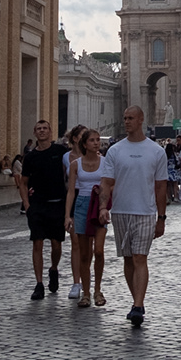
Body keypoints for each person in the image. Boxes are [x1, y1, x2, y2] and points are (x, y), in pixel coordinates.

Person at [97, 105, 166, 328]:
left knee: (139, 257)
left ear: (141, 120)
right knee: (128, 258)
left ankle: (138, 305)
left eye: (130, 118)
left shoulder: (156, 151)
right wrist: (102, 207)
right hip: (120, 211)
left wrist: (161, 217)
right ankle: (136, 299)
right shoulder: (115, 150)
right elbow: (106, 182)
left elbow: (161, 187)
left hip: (145, 211)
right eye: (124, 118)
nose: (126, 121)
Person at [16, 120, 68, 300]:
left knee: (56, 243)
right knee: (37, 242)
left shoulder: (61, 152)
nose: (42, 131)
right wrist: (27, 204)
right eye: (39, 129)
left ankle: (53, 268)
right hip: (37, 205)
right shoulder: (30, 157)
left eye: (45, 128)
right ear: (35, 133)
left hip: (57, 203)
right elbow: (23, 182)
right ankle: (39, 284)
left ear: (51, 131)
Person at [63, 128, 109, 308]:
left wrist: (105, 204)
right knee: (84, 254)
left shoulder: (106, 163)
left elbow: (110, 185)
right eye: (92, 140)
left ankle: (98, 289)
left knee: (98, 250)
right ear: (84, 144)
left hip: (98, 206)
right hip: (82, 205)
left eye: (98, 140)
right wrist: (68, 215)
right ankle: (86, 293)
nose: (96, 143)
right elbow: (70, 192)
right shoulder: (75, 164)